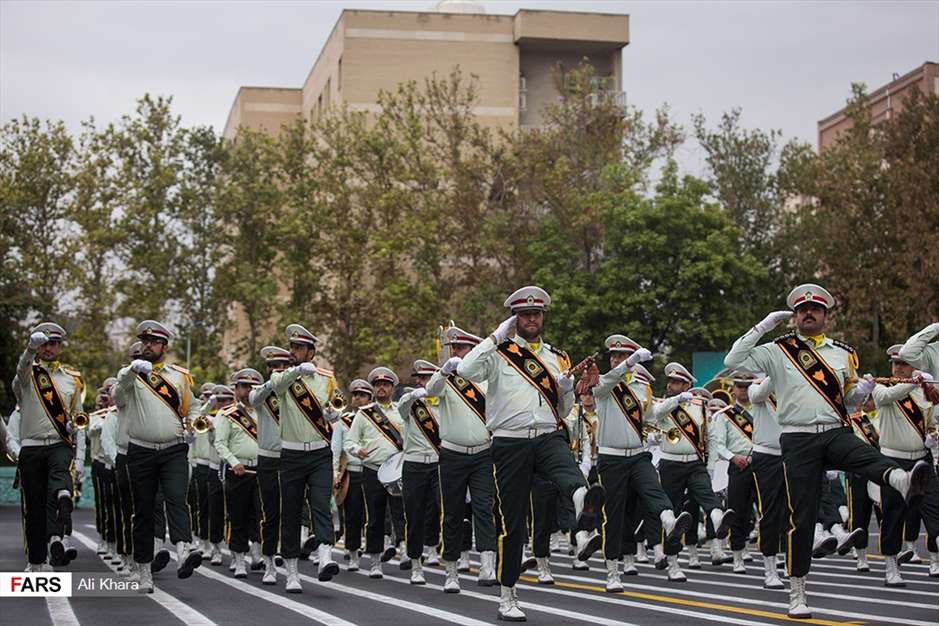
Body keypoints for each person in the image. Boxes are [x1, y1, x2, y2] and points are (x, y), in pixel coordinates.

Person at [724, 283, 931, 618]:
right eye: (803, 309)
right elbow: (733, 359)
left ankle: (900, 479)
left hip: (835, 430)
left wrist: (861, 390)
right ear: (794, 316)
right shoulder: (779, 350)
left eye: (816, 309)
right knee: (802, 516)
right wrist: (763, 327)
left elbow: (848, 399)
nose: (809, 313)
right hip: (797, 439)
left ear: (825, 317)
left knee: (864, 453)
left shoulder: (842, 352)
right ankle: (797, 590)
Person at [457, 285, 605, 622]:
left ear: (543, 317)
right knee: (513, 523)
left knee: (570, 473)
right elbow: (465, 372)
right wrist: (494, 337)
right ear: (515, 318)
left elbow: (563, 408)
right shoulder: (497, 352)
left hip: (547, 434)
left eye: (536, 313)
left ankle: (584, 504)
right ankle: (507, 594)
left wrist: (570, 388)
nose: (532, 319)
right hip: (509, 443)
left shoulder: (557, 357)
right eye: (525, 314)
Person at [591, 334, 693, 591]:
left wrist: (660, 425)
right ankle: (613, 571)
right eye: (614, 355)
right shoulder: (604, 382)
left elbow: (649, 417)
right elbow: (601, 387)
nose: (617, 359)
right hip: (611, 457)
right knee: (613, 516)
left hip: (637, 454)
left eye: (623, 355)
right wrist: (626, 366)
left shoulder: (642, 386)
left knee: (653, 488)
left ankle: (669, 520)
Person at [112, 320, 203, 593]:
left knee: (177, 497)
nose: (147, 345)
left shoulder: (178, 376)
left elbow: (194, 406)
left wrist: (195, 423)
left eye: (153, 341)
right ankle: (143, 570)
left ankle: (184, 550)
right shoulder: (131, 375)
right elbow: (118, 397)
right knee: (144, 510)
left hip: (174, 448)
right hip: (140, 451)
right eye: (144, 341)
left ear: (164, 345)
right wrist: (131, 371)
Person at [271, 323, 342, 592]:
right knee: (290, 511)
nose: (293, 351)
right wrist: (296, 371)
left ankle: (325, 558)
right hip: (291, 454)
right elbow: (276, 386)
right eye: (292, 347)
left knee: (321, 504)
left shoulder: (326, 378)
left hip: (319, 452)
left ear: (311, 351)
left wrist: (333, 414)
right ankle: (291, 572)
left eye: (299, 348)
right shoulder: (283, 377)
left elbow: (335, 403)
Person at [652, 362, 736, 582]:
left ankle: (718, 520)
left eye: (677, 382)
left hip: (695, 462)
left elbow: (710, 437)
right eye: (670, 382)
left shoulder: (700, 407)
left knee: (707, 494)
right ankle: (672, 563)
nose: (672, 385)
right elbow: (656, 413)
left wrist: (710, 466)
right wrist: (677, 400)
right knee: (674, 513)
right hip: (671, 464)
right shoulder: (666, 405)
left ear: (687, 384)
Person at [13, 322, 84, 572]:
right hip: (31, 446)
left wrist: (74, 425)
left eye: (53, 343)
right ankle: (37, 561)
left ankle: (64, 498)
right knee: (34, 508)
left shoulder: (72, 380)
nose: (49, 348)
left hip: (58, 444)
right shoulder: (27, 375)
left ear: (60, 347)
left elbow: (78, 413)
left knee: (59, 482)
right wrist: (29, 350)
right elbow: (21, 370)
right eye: (44, 343)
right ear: (38, 346)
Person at [870, 344, 938, 585]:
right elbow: (886, 397)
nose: (898, 368)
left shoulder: (926, 391)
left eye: (904, 364)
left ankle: (935, 556)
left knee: (933, 506)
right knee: (892, 513)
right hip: (893, 459)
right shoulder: (881, 387)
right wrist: (913, 382)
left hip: (922, 458)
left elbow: (933, 420)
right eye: (895, 364)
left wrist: (933, 434)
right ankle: (891, 567)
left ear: (914, 366)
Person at [344, 366, 405, 579]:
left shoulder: (401, 411)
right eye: (378, 385)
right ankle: (375, 560)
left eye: (386, 385)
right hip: (372, 470)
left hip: (398, 470)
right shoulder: (364, 413)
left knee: (401, 513)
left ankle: (406, 552)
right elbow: (349, 440)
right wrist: (356, 449)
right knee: (375, 516)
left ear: (392, 388)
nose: (381, 388)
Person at [396, 359, 444, 585]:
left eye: (427, 378)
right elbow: (401, 407)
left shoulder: (443, 402)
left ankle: (443, 553)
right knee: (413, 516)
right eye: (420, 379)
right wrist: (414, 395)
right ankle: (416, 564)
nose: (423, 382)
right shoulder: (411, 404)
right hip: (414, 464)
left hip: (438, 463)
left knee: (441, 507)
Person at [214, 371, 264, 578]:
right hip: (239, 471)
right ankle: (239, 560)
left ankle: (258, 552)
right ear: (236, 389)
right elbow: (220, 443)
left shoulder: (265, 413)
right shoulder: (227, 414)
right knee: (238, 516)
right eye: (243, 386)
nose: (247, 391)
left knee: (260, 515)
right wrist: (234, 463)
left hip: (261, 470)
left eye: (252, 387)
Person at [249, 345, 291, 584]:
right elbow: (253, 398)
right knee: (270, 512)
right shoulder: (262, 392)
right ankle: (268, 562)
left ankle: (289, 559)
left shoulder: (296, 392)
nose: (279, 370)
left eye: (283, 366)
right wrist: (271, 382)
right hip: (267, 458)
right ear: (268, 368)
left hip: (290, 457)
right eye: (274, 366)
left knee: (290, 511)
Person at [330, 378, 374, 572]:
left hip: (374, 470)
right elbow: (336, 449)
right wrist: (335, 473)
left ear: (370, 398)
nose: (358, 398)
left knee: (374, 515)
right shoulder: (343, 421)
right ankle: (353, 553)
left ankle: (375, 555)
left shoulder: (377, 418)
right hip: (353, 472)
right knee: (353, 516)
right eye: (355, 395)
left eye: (363, 395)